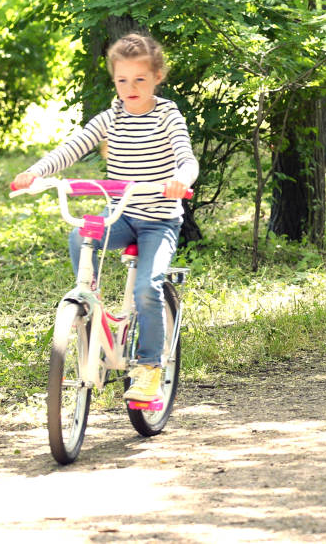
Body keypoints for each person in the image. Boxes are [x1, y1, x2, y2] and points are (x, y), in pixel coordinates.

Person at [12, 32, 198, 401]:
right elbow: (73, 147)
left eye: (140, 79)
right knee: (80, 234)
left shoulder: (167, 114)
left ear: (157, 77)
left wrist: (181, 179)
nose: (130, 87)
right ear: (114, 80)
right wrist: (36, 173)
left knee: (148, 289)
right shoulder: (111, 117)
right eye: (122, 80)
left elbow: (185, 156)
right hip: (120, 214)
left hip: (159, 220)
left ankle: (148, 369)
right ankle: (90, 308)